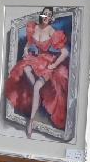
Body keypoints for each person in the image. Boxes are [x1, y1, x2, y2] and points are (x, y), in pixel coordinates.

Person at [4, 7, 70, 137]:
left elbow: (65, 52)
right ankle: (38, 94)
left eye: (49, 15)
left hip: (47, 62)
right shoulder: (33, 27)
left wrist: (53, 65)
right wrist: (25, 50)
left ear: (51, 18)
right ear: (41, 15)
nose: (46, 16)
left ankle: (31, 121)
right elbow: (29, 43)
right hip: (37, 58)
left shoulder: (51, 31)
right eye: (45, 14)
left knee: (36, 86)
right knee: (25, 68)